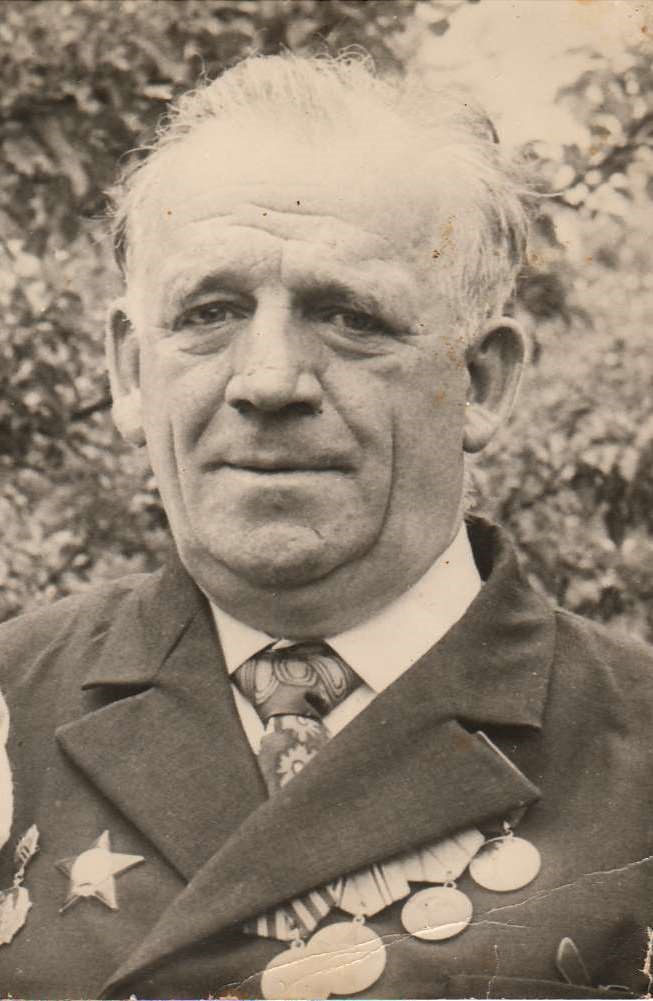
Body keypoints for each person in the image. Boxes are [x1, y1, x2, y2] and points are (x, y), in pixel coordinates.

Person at [0, 53, 651, 1001]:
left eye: (348, 316)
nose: (268, 380)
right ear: (131, 372)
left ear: (480, 380)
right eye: (210, 312)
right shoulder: (13, 703)